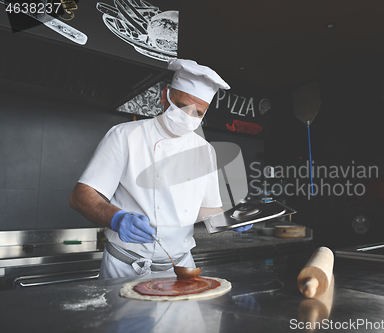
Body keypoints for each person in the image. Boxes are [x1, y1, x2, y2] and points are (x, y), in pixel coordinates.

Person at [70, 59, 251, 279]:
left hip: (181, 270)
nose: (188, 117)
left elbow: (206, 210)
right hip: (125, 267)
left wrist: (231, 219)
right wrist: (116, 218)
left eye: (198, 113)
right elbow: (80, 196)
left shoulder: (206, 151)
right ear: (165, 96)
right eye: (182, 106)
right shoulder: (124, 135)